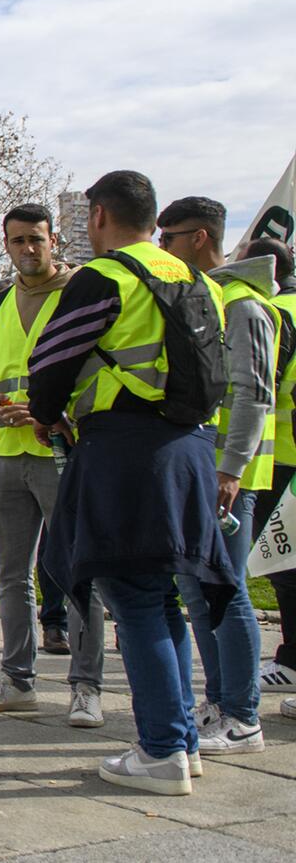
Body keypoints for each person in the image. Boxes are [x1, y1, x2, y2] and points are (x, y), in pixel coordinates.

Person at [34, 171, 237, 795]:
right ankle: (177, 740)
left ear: (97, 215)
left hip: (125, 451)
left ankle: (160, 751)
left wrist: (48, 414)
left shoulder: (106, 278)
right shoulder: (198, 279)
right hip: (190, 448)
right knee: (166, 596)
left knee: (134, 598)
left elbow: (49, 370)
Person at [0, 204, 105, 729]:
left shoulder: (80, 293)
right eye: (17, 240)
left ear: (54, 239)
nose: (27, 249)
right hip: (6, 454)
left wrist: (56, 412)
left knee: (75, 573)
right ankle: (18, 680)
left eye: (36, 240)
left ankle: (85, 686)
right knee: (10, 576)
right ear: (6, 244)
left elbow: (99, 369)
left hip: (61, 452)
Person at [157, 196, 277, 755]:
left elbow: (255, 394)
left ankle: (244, 716)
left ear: (201, 238)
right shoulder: (206, 297)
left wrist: (232, 468)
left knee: (227, 594)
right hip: (197, 467)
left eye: (171, 238)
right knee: (199, 593)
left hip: (230, 477)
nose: (165, 249)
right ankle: (219, 701)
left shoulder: (243, 305)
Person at [240, 238, 296, 700]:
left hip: (282, 458)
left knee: (284, 562)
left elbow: (262, 382)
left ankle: (292, 660)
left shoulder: (276, 311)